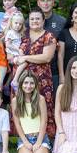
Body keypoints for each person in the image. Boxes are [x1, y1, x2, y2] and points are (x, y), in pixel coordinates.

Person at [13, 8, 57, 138]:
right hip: (22, 79)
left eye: (38, 18)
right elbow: (15, 52)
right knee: (24, 106)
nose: (35, 21)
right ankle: (25, 138)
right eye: (32, 19)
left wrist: (26, 58)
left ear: (43, 21)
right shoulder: (23, 35)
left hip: (41, 79)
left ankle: (46, 138)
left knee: (42, 106)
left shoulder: (49, 36)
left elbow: (47, 57)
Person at [11, 70, 51, 153]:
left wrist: (39, 142)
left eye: (31, 83)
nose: (28, 86)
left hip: (40, 136)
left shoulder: (40, 99)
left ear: (35, 85)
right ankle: (25, 149)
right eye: (25, 83)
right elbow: (17, 124)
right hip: (25, 137)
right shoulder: (15, 101)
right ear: (21, 84)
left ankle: (45, 147)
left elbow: (44, 122)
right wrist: (25, 141)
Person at [36, 0, 67, 87]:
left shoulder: (62, 22)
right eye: (43, 0)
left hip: (55, 71)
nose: (45, 3)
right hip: (35, 70)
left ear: (53, 3)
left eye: (48, 0)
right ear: (38, 3)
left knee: (54, 101)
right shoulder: (31, 21)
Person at [4, 12, 26, 89]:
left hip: (17, 55)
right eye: (16, 23)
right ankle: (15, 81)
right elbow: (8, 45)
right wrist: (19, 49)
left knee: (18, 68)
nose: (18, 25)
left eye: (20, 24)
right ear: (11, 23)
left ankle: (8, 85)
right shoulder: (10, 33)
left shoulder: (18, 33)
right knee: (24, 62)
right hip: (12, 56)